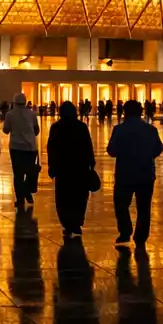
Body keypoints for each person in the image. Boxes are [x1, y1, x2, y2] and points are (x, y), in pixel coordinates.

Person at [107, 99, 163, 247]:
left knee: (121, 204)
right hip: (145, 174)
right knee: (144, 207)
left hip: (125, 174)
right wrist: (147, 155)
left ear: (125, 112)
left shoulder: (119, 130)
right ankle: (141, 236)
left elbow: (112, 151)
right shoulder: (150, 130)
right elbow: (159, 148)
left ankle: (125, 231)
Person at [46, 100, 96, 238]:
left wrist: (52, 166)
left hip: (63, 170)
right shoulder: (81, 127)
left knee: (63, 198)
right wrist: (91, 163)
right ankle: (77, 221)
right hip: (80, 168)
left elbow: (52, 148)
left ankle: (68, 223)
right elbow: (88, 145)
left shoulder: (56, 128)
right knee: (79, 197)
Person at [1, 92, 40, 209]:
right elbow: (36, 130)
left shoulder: (10, 115)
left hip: (16, 148)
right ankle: (27, 192)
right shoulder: (32, 114)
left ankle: (20, 199)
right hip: (30, 148)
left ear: (14, 103)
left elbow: (6, 130)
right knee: (29, 172)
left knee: (18, 174)